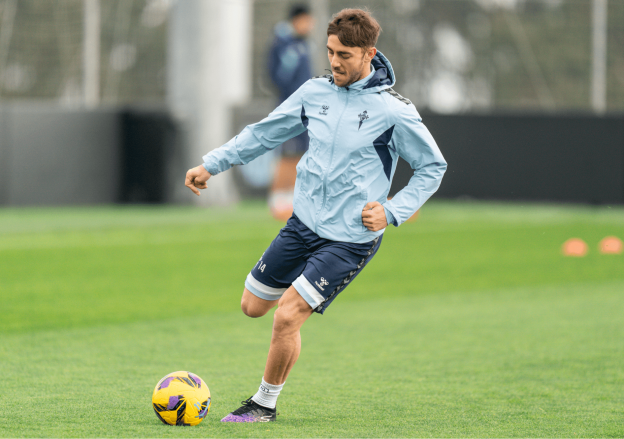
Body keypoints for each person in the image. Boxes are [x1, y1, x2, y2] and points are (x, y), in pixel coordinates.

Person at [185, 8, 447, 423]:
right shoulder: (314, 92)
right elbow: (263, 133)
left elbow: (433, 167)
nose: (335, 61)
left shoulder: (393, 111)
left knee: (287, 316)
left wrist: (393, 211)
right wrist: (212, 164)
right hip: (302, 225)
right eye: (330, 52)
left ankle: (263, 405)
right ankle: (296, 306)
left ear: (369, 53)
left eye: (344, 54)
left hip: (349, 240)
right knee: (252, 306)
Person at [266, 4, 314, 221]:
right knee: (288, 154)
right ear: (297, 20)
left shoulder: (301, 44)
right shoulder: (284, 44)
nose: (310, 25)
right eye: (307, 20)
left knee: (301, 154)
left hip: (305, 108)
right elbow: (277, 77)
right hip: (290, 108)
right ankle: (276, 200)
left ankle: (290, 200)